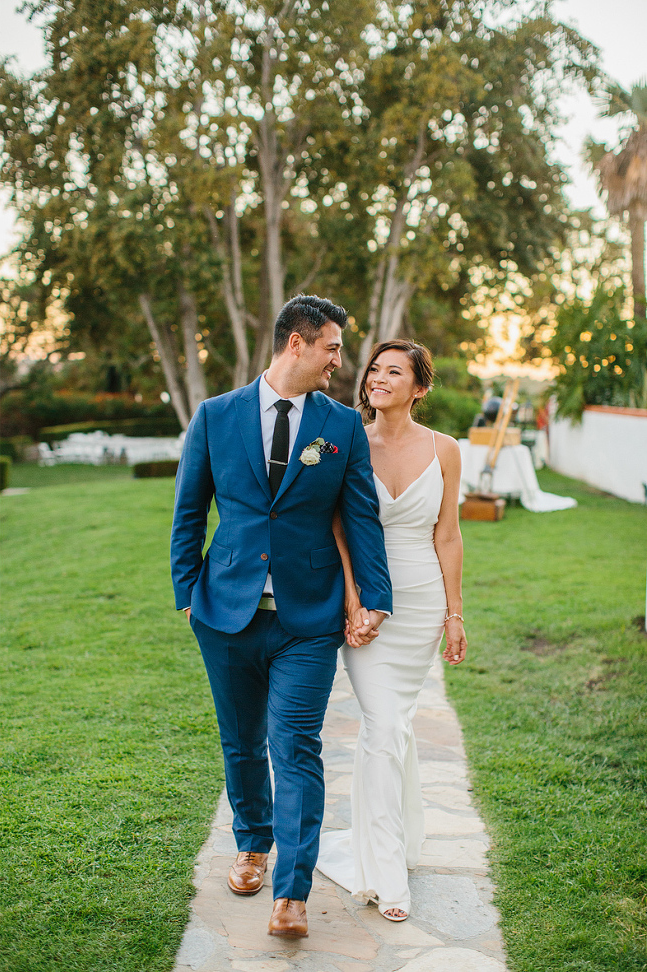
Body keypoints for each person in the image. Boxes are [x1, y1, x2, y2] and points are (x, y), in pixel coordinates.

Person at [170, 295, 394, 939]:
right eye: (331, 347)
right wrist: (188, 593)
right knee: (241, 741)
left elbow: (359, 518)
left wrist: (372, 597)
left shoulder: (342, 426)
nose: (339, 361)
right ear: (296, 343)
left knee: (295, 747)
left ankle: (292, 892)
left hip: (307, 618)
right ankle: (251, 844)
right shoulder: (216, 417)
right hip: (225, 612)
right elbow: (190, 511)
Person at [315, 340, 468, 922]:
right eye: (374, 370)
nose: (377, 378)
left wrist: (454, 612)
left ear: (419, 387)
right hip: (371, 604)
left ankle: (398, 843)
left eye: (393, 371)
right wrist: (354, 600)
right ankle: (384, 876)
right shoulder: (350, 440)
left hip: (424, 604)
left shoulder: (445, 450)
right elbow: (338, 528)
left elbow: (448, 535)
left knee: (397, 724)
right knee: (381, 726)